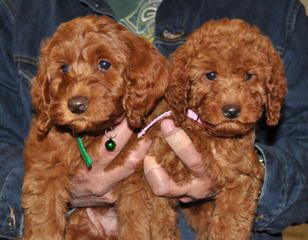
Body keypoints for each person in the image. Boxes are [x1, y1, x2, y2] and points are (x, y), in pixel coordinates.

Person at [0, 0, 307, 239]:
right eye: (63, 70)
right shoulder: (18, 8)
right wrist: (64, 193)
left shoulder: (276, 9)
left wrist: (247, 172)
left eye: (104, 64)